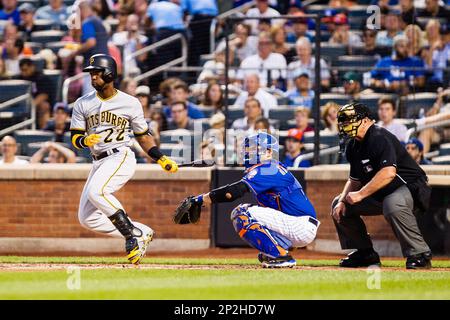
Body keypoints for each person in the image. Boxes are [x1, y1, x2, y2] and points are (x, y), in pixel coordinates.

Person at [70, 54, 178, 265]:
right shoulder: (82, 103)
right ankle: (141, 231)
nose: (92, 77)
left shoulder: (130, 103)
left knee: (97, 191)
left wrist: (160, 158)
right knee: (87, 218)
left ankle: (132, 234)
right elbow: (74, 137)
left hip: (120, 155)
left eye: (96, 73)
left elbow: (143, 136)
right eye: (91, 73)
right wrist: (84, 140)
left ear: (110, 73)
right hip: (98, 161)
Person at [180, 132, 319, 268]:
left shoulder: (269, 168)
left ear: (269, 152)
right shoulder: (269, 168)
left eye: (254, 149)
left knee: (241, 213)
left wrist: (199, 200)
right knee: (265, 251)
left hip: (300, 225)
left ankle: (282, 257)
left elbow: (232, 193)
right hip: (297, 225)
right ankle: (280, 251)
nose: (248, 153)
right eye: (248, 149)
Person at [331, 102, 432, 269]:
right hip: (383, 190)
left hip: (410, 187)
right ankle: (365, 253)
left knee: (392, 204)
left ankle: (419, 253)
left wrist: (361, 194)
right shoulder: (354, 145)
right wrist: (343, 200)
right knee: (339, 205)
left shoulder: (379, 136)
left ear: (364, 120)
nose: (345, 125)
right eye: (343, 121)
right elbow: (354, 179)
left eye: (349, 120)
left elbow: (388, 173)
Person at [146, 0, 187, 66]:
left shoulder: (153, 6)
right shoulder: (175, 6)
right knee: (179, 59)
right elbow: (183, 19)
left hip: (165, 34)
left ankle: (168, 75)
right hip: (181, 35)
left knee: (164, 60)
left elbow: (147, 22)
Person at [16, 58, 51, 129]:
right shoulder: (19, 79)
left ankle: (43, 131)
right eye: (21, 70)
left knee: (44, 106)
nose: (23, 73)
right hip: (21, 105)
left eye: (25, 70)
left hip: (35, 105)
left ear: (32, 67)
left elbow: (44, 95)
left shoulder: (41, 78)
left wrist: (31, 105)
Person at [183, 0, 218, 66]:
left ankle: (194, 72)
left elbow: (184, 10)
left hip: (200, 20)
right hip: (212, 20)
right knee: (207, 46)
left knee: (195, 47)